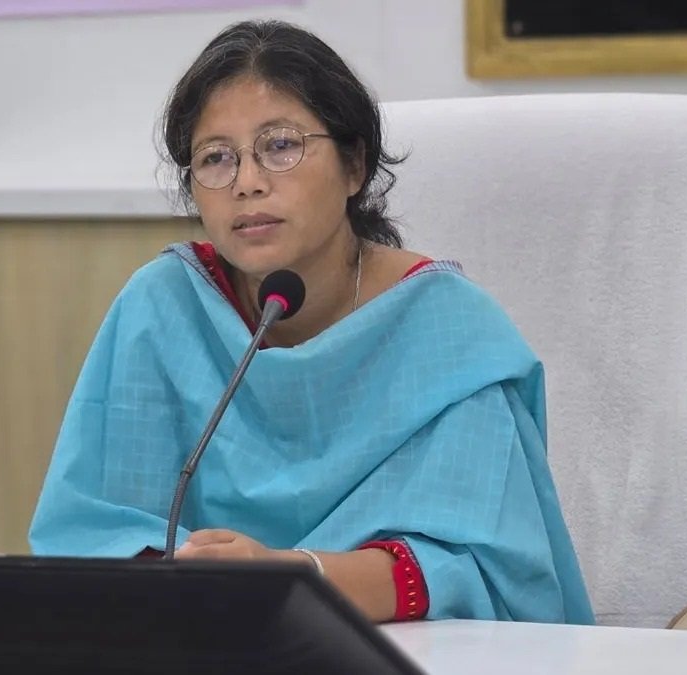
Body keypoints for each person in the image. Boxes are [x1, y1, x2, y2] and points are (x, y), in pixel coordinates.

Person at [29, 19, 594, 625]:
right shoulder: (165, 309)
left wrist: (294, 578)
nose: (247, 183)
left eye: (280, 146)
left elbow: (483, 568)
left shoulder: (449, 331)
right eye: (215, 158)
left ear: (354, 166)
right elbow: (90, 534)